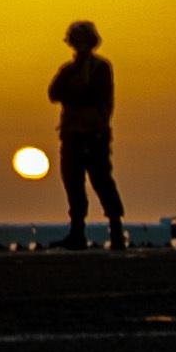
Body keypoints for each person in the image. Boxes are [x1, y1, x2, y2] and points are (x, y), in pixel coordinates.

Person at [46, 22, 120, 247]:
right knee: (72, 183)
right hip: (71, 135)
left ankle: (116, 231)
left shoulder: (100, 68)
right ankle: (77, 233)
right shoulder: (68, 70)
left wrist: (75, 93)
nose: (77, 45)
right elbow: (53, 92)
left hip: (94, 134)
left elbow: (95, 96)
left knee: (101, 181)